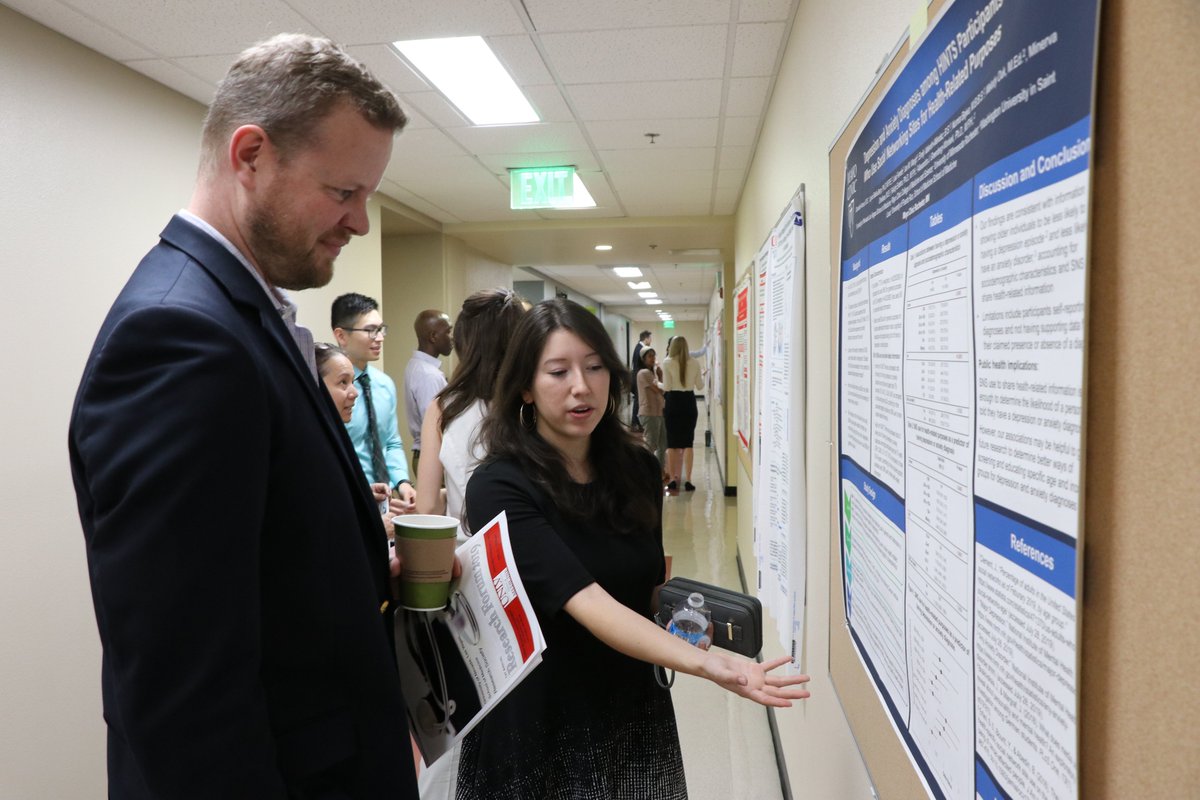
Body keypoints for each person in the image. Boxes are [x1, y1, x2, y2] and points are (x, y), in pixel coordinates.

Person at [68, 33, 418, 797]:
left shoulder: (243, 314)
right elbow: (183, 694)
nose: (359, 222)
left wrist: (360, 568)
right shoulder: (180, 338)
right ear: (251, 154)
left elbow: (257, 564)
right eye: (342, 192)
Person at [459, 299, 810, 799]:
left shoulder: (638, 469)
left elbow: (643, 588)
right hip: (539, 716)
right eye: (558, 372)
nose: (581, 386)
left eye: (595, 366)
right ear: (524, 388)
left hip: (628, 705)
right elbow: (587, 599)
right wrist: (711, 667)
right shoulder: (499, 486)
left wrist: (685, 624)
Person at [412, 288, 527, 800]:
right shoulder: (524, 404)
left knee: (468, 704)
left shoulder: (444, 405)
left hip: (465, 570)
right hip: (525, 567)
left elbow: (427, 511)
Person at [415, 289, 527, 527]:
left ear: (464, 342)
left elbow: (427, 507)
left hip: (468, 551)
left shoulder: (444, 406)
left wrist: (452, 495)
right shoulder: (533, 400)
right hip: (532, 543)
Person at [332, 292, 417, 512]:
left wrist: (402, 482)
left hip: (385, 503)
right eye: (370, 330)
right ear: (341, 336)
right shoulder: (327, 389)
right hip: (346, 500)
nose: (379, 337)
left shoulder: (384, 384)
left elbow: (390, 441)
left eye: (380, 329)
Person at [404, 308, 453, 474]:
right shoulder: (428, 375)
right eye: (448, 332)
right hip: (433, 457)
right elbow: (435, 424)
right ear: (433, 337)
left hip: (427, 454)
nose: (452, 337)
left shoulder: (417, 366)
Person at [663, 335, 705, 492]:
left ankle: (674, 479)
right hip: (688, 402)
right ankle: (689, 480)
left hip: (673, 402)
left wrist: (657, 383)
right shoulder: (695, 363)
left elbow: (666, 387)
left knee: (672, 444)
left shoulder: (667, 362)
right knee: (688, 443)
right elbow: (700, 387)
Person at [636, 347, 667, 472]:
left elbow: (661, 388)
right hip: (649, 413)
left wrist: (660, 375)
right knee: (651, 444)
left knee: (662, 444)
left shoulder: (651, 373)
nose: (653, 359)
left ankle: (658, 470)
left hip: (658, 412)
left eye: (654, 356)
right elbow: (660, 389)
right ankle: (645, 470)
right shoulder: (643, 373)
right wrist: (659, 375)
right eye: (650, 356)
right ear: (643, 359)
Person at [630, 329, 652, 430]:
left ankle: (636, 423)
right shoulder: (641, 349)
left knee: (638, 401)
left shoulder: (638, 347)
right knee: (638, 401)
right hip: (639, 378)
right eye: (650, 338)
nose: (651, 340)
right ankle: (636, 423)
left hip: (638, 377)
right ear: (646, 338)